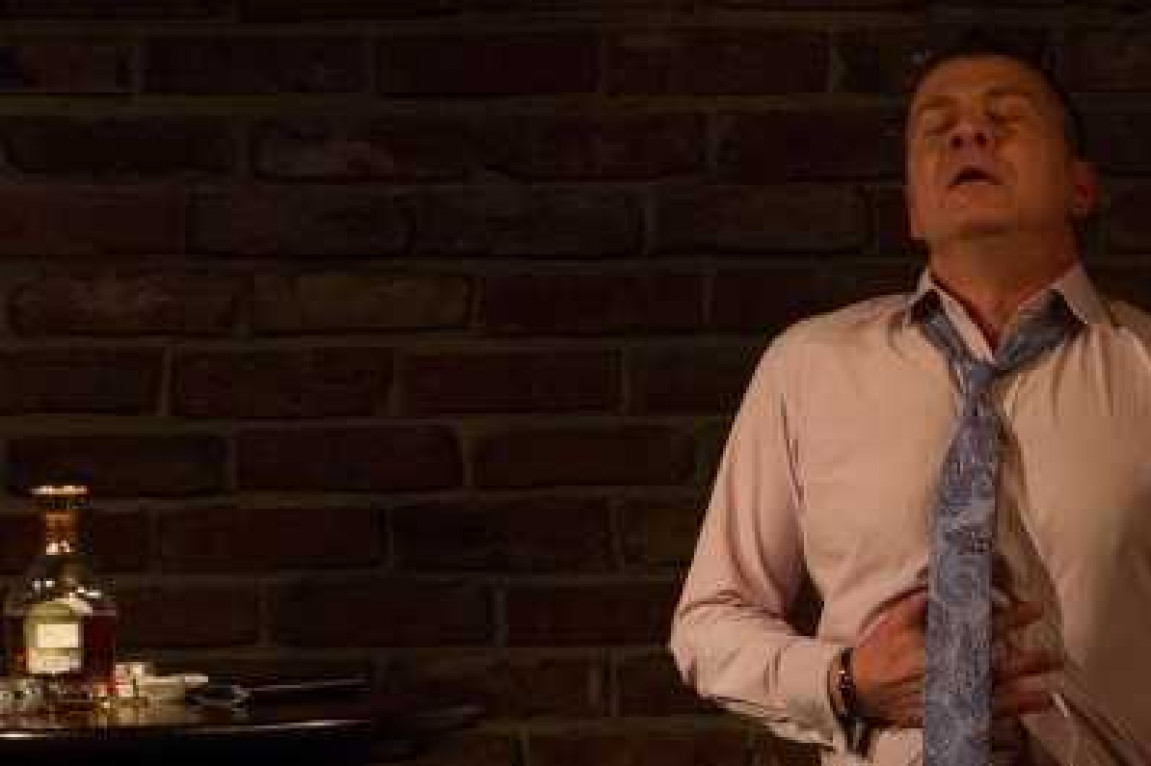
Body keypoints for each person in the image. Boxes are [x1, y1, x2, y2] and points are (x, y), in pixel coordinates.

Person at [669, 29, 1151, 765]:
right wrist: (844, 683)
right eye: (938, 126)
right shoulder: (809, 368)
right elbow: (709, 622)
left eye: (1006, 116)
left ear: (1080, 187)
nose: (969, 133)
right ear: (913, 211)